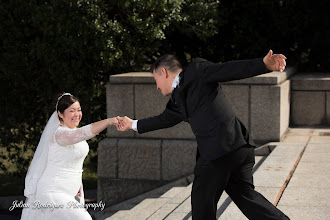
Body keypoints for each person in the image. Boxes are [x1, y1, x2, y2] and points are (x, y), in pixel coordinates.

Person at [116, 50, 290, 219]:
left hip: (220, 151)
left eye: (156, 80)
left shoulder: (197, 71)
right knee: (246, 196)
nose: (156, 86)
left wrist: (263, 64)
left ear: (164, 72)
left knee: (201, 204)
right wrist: (132, 124)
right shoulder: (178, 100)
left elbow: (228, 70)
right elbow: (163, 119)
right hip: (238, 148)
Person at [21, 93, 118, 220]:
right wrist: (109, 121)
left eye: (79, 110)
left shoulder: (73, 132)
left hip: (70, 191)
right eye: (71, 111)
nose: (77, 114)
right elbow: (84, 133)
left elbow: (74, 162)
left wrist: (77, 185)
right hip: (52, 191)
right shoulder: (60, 134)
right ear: (60, 114)